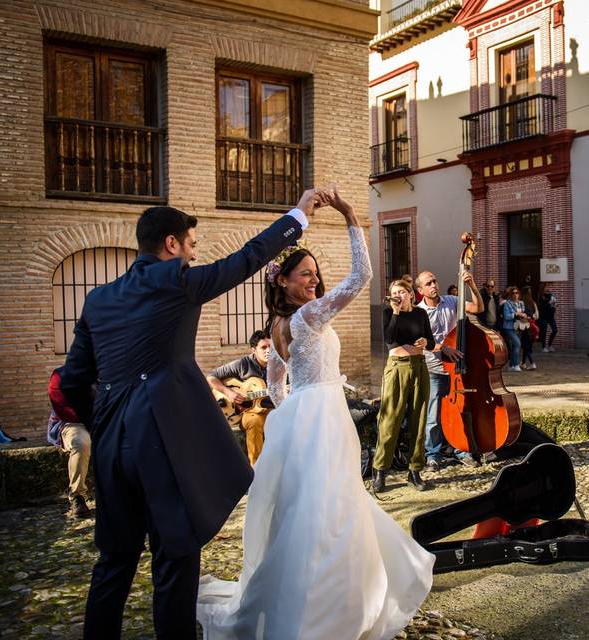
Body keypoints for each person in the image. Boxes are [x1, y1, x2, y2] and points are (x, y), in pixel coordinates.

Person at [54, 189, 315, 638]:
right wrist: (299, 215)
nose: (194, 254)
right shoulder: (179, 281)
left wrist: (104, 421)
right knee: (174, 559)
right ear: (171, 244)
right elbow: (249, 257)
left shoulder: (97, 299)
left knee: (114, 560)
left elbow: (73, 378)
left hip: (113, 445)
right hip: (164, 443)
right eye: (191, 244)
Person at [197, 187, 434, 638]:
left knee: (319, 507)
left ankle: (312, 595)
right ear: (282, 282)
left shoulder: (281, 325)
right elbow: (362, 276)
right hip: (320, 418)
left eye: (315, 274)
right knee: (328, 508)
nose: (313, 280)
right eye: (304, 275)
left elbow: (275, 381)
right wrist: (349, 215)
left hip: (311, 417)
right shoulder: (307, 319)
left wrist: (291, 414)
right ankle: (324, 609)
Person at [417, 268, 484, 470]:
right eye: (428, 283)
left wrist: (471, 285)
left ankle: (461, 450)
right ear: (420, 289)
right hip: (434, 369)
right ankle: (433, 455)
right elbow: (420, 342)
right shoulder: (418, 312)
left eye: (434, 281)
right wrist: (443, 347)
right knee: (433, 416)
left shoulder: (452, 301)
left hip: (456, 370)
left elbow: (478, 308)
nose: (433, 285)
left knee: (459, 412)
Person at [373, 279, 435, 492]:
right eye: (394, 292)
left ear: (410, 294)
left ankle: (415, 471)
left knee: (419, 419)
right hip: (397, 368)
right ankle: (380, 471)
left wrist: (426, 343)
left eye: (401, 291)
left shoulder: (420, 314)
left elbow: (432, 342)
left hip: (419, 366)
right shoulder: (388, 313)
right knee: (390, 419)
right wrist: (397, 312)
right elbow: (389, 338)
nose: (398, 295)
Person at [206, 329, 273, 465]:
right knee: (255, 422)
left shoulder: (279, 365)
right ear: (253, 349)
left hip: (271, 408)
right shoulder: (243, 364)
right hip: (247, 412)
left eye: (270, 347)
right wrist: (228, 392)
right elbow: (211, 377)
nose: (268, 351)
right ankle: (256, 469)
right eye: (263, 347)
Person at [47, 368, 92, 519]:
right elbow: (63, 409)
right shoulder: (60, 375)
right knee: (81, 442)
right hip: (72, 423)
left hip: (101, 419)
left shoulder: (106, 370)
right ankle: (77, 496)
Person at [500, 286, 526, 373]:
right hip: (508, 327)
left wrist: (524, 316)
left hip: (519, 327)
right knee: (517, 343)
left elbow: (523, 313)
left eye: (517, 293)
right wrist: (516, 314)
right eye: (513, 293)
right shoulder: (507, 303)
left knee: (515, 346)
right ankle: (516, 364)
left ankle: (512, 365)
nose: (515, 295)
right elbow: (506, 316)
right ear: (510, 295)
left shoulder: (521, 303)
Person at [520, 286, 539, 370]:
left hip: (525, 325)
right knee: (527, 345)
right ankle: (523, 363)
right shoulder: (532, 302)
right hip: (532, 325)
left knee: (525, 345)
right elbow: (536, 315)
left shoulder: (521, 302)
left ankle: (532, 363)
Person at [538, 282, 558, 352]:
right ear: (543, 288)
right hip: (543, 317)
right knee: (544, 332)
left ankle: (549, 345)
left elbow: (554, 304)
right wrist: (549, 302)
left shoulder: (551, 295)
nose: (548, 288)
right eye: (547, 287)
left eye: (549, 286)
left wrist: (555, 305)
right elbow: (541, 306)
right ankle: (543, 347)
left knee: (555, 330)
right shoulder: (541, 296)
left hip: (550, 316)